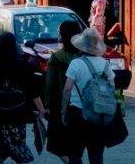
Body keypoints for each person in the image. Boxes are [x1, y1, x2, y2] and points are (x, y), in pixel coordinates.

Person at [0, 32, 46, 164]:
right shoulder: (23, 65)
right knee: (18, 146)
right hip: (18, 113)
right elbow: (32, 91)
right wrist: (41, 110)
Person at [61, 29, 114, 164]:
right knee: (96, 155)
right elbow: (112, 87)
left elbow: (67, 89)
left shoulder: (76, 63)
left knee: (74, 153)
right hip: (98, 114)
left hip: (78, 112)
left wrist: (64, 109)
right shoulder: (105, 64)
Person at [44, 19, 82, 162]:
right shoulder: (83, 56)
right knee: (76, 145)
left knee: (56, 145)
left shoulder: (57, 57)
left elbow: (50, 85)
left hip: (60, 104)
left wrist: (47, 106)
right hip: (82, 105)